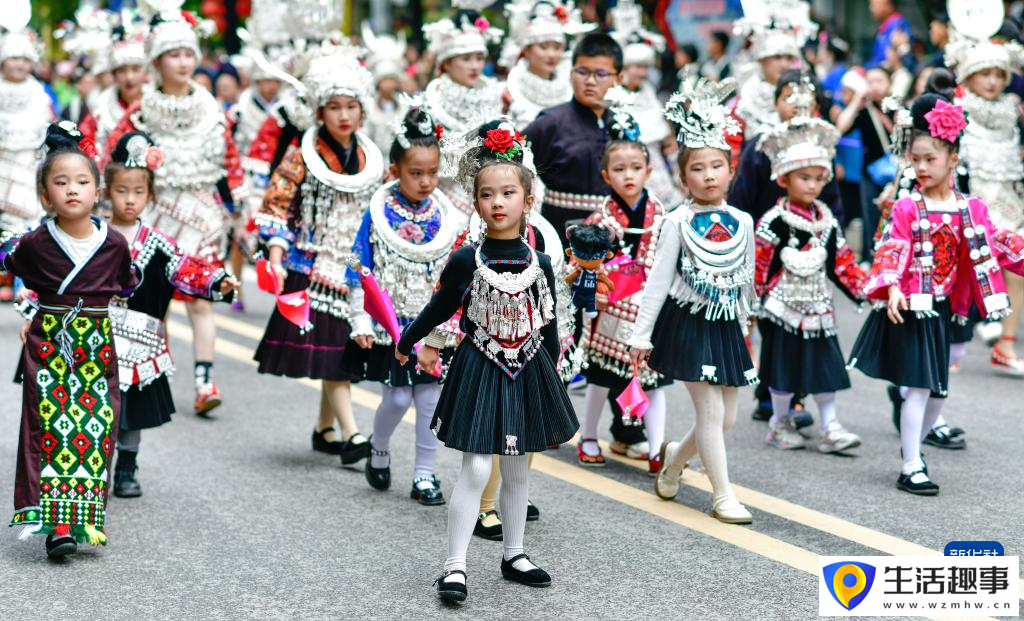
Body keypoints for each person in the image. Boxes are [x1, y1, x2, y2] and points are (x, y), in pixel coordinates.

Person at [395, 125, 577, 602]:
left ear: (527, 198)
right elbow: (440, 308)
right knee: (476, 469)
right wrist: (408, 338)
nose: (498, 202)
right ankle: (454, 566)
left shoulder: (539, 260)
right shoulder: (465, 260)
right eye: (487, 194)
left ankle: (514, 553)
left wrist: (552, 373)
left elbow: (550, 320)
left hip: (529, 368)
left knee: (519, 468)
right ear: (475, 202)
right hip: (479, 367)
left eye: (508, 193)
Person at [848, 91, 1024, 495]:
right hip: (912, 307)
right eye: (916, 159)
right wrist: (892, 286)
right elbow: (892, 247)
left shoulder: (970, 208)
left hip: (948, 308)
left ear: (954, 160)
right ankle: (911, 464)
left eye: (932, 159)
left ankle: (916, 448)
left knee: (939, 389)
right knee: (923, 387)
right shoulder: (908, 206)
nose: (922, 167)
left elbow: (997, 243)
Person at [2, 121, 139, 557]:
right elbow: (17, 268)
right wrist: (35, 311)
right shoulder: (36, 242)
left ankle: (84, 520)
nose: (72, 190)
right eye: (61, 183)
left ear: (98, 191)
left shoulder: (115, 242)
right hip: (49, 344)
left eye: (82, 181)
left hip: (96, 346)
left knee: (95, 428)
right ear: (45, 197)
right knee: (51, 428)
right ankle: (57, 526)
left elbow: (128, 282)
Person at [105, 9, 247, 415]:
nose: (183, 62)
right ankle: (150, 372)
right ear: (157, 61)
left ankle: (205, 381)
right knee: (153, 300)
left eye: (189, 53)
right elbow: (116, 161)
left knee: (200, 300)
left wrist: (243, 209)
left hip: (202, 213)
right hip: (154, 215)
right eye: (174, 54)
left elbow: (231, 162)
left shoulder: (212, 109)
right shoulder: (140, 112)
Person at [630, 78, 757, 524]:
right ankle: (723, 495)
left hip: (726, 325)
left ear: (731, 170)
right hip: (687, 322)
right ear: (683, 177)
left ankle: (673, 461)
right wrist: (640, 334)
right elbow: (659, 280)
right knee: (711, 410)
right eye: (698, 168)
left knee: (726, 419)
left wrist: (747, 327)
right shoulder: (677, 222)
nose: (708, 175)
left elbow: (745, 283)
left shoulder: (742, 220)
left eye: (717, 166)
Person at [253, 47, 382, 467]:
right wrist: (275, 254)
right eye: (334, 107)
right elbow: (277, 205)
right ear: (319, 111)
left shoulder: (373, 154)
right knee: (336, 352)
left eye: (351, 106)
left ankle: (324, 428)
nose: (344, 115)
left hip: (356, 263)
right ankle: (352, 432)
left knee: (337, 348)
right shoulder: (300, 152)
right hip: (311, 264)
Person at [103, 131, 239, 497]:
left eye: (138, 192)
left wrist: (217, 279)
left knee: (131, 411)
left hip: (139, 340)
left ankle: (127, 468)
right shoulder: (94, 234)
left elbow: (186, 268)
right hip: (97, 338)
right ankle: (94, 471)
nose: (129, 200)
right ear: (106, 192)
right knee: (99, 407)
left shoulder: (158, 243)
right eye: (121, 191)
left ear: (150, 195)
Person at [345, 106, 457, 505]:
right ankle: (378, 447)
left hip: (432, 324)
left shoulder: (447, 214)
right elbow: (360, 267)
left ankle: (424, 473)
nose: (426, 181)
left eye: (432, 172)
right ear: (394, 169)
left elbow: (456, 272)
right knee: (395, 398)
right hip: (391, 324)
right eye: (416, 172)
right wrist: (360, 316)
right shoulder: (378, 213)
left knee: (429, 399)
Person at [753, 106, 867, 453]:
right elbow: (759, 269)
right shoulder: (773, 222)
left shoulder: (827, 220)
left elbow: (843, 264)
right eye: (806, 178)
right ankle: (780, 422)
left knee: (826, 367)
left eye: (820, 178)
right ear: (784, 178)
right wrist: (751, 310)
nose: (814, 185)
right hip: (781, 310)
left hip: (819, 308)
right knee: (783, 371)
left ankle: (830, 425)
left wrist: (870, 291)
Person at [576, 105, 671, 474]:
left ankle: (657, 447)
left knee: (655, 380)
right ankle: (588, 436)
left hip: (649, 308)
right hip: (611, 308)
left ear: (649, 171)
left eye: (636, 168)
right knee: (600, 376)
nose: (628, 175)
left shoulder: (662, 217)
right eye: (619, 169)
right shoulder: (599, 220)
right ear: (605, 175)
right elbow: (581, 265)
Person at [946, 32, 1024, 375]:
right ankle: (947, 344)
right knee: (955, 272)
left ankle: (1006, 345)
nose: (992, 81)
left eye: (998, 74)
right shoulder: (955, 110)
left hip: (1008, 201)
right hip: (967, 203)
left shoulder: (1013, 112)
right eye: (984, 73)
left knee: (1018, 269)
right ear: (968, 75)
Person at [525, 32, 621, 244]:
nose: (590, 81)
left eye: (601, 74)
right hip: (559, 235)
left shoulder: (623, 124)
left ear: (618, 79)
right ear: (571, 73)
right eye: (582, 72)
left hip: (613, 235)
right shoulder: (549, 123)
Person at [423, 8, 504, 225]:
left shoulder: (497, 97)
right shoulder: (429, 106)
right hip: (442, 200)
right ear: (446, 63)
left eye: (479, 58)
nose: (475, 66)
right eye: (466, 59)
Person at [610, 1, 684, 209]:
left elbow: (669, 143)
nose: (642, 73)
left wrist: (679, 175)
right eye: (636, 67)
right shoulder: (612, 99)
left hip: (661, 179)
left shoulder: (651, 95)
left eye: (645, 68)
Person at [500, 0, 593, 129]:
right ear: (526, 50)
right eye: (543, 47)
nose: (551, 54)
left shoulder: (571, 86)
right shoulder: (507, 90)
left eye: (557, 47)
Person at [80, 24, 148, 158]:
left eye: (135, 69)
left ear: (145, 72)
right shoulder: (101, 109)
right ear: (114, 75)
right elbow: (84, 144)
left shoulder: (157, 102)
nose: (129, 77)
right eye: (122, 71)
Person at [866, 0, 913, 70]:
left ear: (888, 5)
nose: (870, 8)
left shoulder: (897, 26)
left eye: (874, 5)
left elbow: (884, 58)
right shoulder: (885, 26)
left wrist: (866, 68)